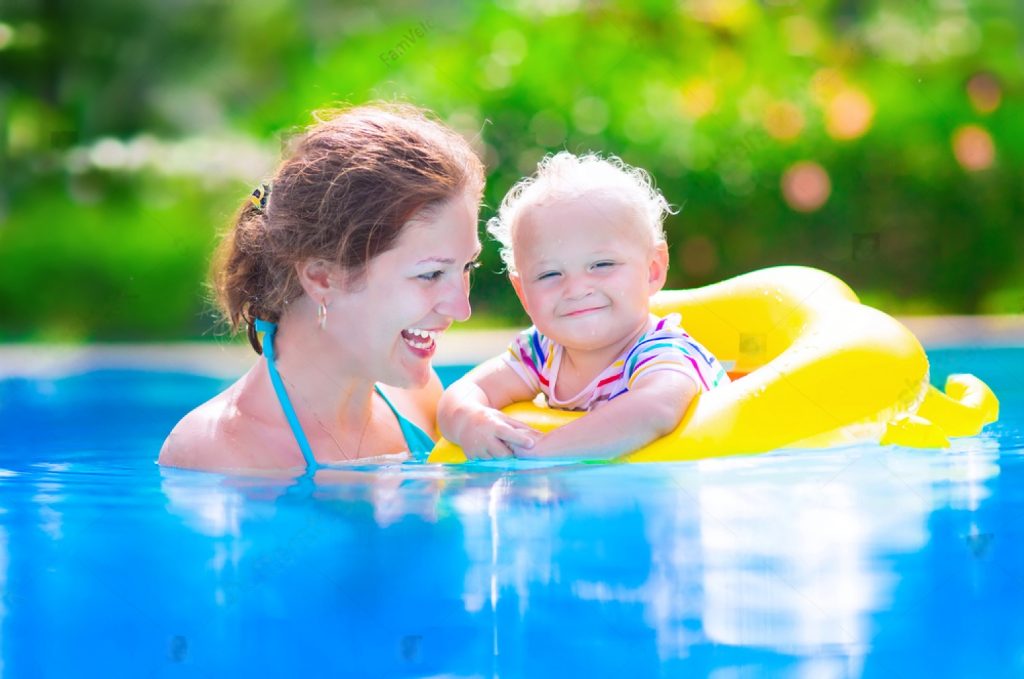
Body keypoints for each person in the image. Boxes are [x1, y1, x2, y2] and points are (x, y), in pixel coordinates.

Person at [159, 103, 484, 472]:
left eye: (468, 266)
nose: (462, 308)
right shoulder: (219, 452)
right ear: (322, 278)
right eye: (430, 274)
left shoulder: (421, 402)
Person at [437, 152, 730, 460]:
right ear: (522, 291)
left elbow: (655, 409)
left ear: (653, 269)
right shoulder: (541, 352)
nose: (576, 289)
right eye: (550, 274)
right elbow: (462, 393)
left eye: (602, 264)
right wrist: (472, 420)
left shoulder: (662, 352)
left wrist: (539, 455)